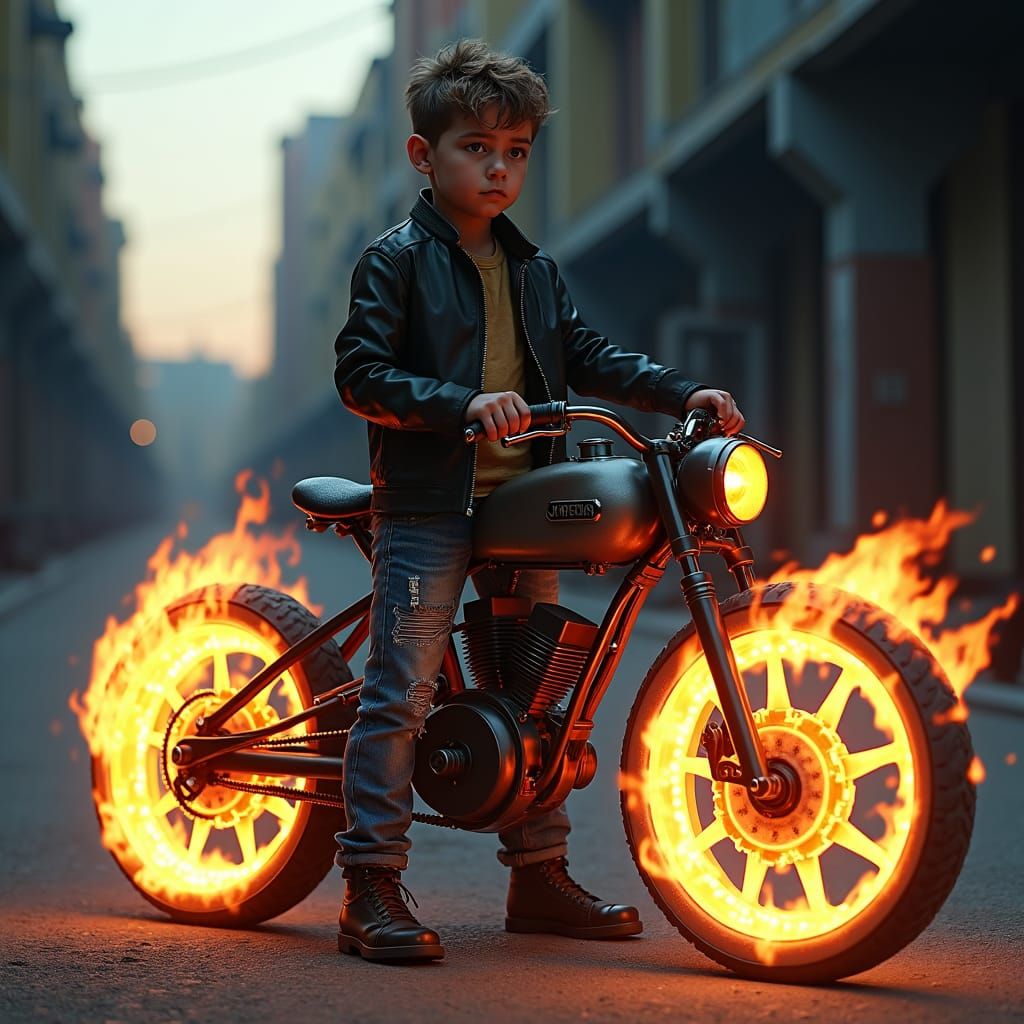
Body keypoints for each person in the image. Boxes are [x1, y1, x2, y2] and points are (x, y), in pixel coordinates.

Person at [332, 38, 745, 964]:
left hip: (522, 503)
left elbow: (593, 356)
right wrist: (460, 406)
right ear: (422, 155)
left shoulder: (534, 270)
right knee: (399, 697)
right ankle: (369, 885)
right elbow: (360, 372)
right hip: (428, 503)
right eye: (477, 146)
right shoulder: (393, 260)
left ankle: (538, 878)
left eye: (516, 150)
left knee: (539, 705)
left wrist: (682, 393)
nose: (499, 166)